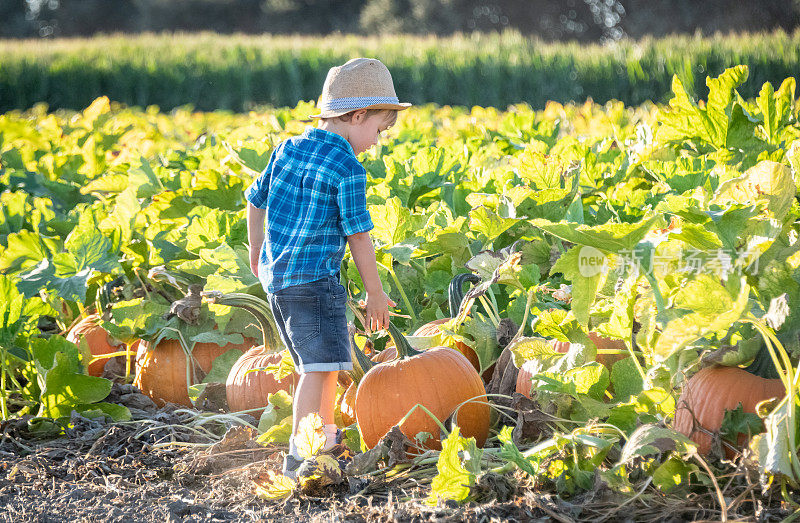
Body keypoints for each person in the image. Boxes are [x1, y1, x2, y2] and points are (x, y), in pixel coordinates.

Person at [245, 58, 410, 479]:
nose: (377, 141)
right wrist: (375, 292)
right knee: (314, 370)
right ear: (357, 116)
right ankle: (301, 456)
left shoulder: (288, 149)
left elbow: (254, 199)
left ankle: (329, 439)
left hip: (278, 281)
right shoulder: (347, 168)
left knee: (330, 360)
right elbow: (358, 236)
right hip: (314, 282)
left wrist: (257, 251)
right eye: (378, 130)